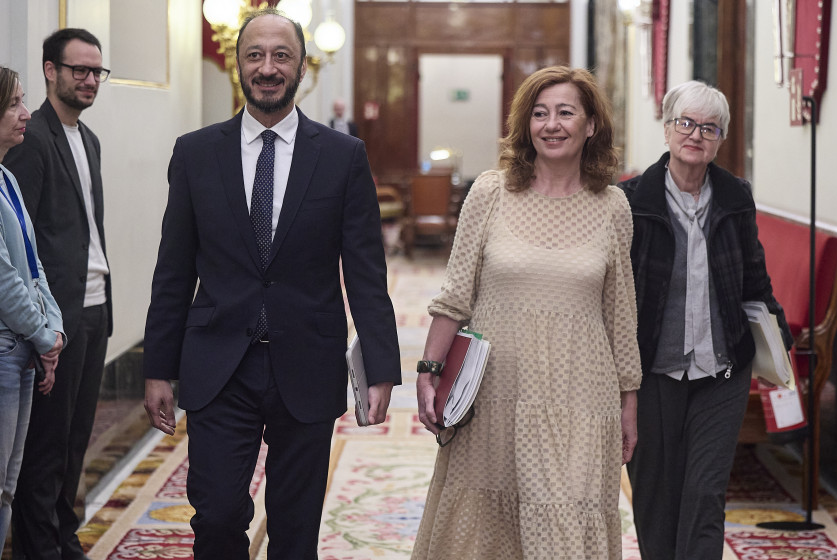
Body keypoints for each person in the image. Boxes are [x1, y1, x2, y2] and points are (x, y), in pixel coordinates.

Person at [142, 9, 400, 560]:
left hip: (307, 362)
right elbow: (173, 270)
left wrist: (381, 368)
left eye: (281, 56)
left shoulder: (342, 157)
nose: (267, 68)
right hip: (218, 365)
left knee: (295, 530)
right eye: (255, 55)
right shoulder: (195, 153)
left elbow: (365, 271)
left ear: (302, 68)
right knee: (215, 516)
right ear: (238, 64)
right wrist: (158, 367)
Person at [412, 66, 642, 560]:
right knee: (488, 528)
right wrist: (429, 370)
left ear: (591, 125)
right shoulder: (489, 193)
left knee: (565, 523)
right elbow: (455, 296)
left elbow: (621, 314)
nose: (551, 124)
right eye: (539, 114)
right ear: (525, 124)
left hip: (581, 398)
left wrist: (629, 402)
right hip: (495, 394)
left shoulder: (614, 207)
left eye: (565, 113)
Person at [618, 80, 793, 559]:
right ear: (668, 128)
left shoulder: (735, 196)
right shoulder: (631, 201)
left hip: (722, 372)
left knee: (706, 493)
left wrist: (779, 341)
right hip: (652, 373)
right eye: (686, 123)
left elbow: (754, 278)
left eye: (709, 128)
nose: (696, 135)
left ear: (721, 139)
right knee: (656, 496)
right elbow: (612, 292)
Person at [3, 28, 112, 560]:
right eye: (79, 70)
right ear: (51, 71)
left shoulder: (88, 139)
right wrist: (42, 327)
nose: (90, 80)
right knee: (45, 448)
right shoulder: (32, 140)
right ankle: (39, 548)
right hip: (56, 320)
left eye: (97, 71)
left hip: (94, 308)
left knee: (75, 440)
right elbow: (22, 247)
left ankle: (66, 539)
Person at [0, 66, 65, 553]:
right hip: (5, 350)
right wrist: (44, 338)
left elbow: (33, 262)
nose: (26, 113)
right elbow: (3, 279)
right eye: (13, 104)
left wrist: (53, 330)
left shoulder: (7, 176)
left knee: (9, 483)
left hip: (23, 349)